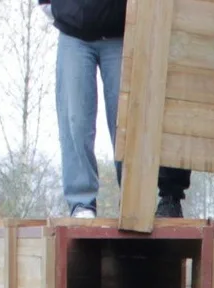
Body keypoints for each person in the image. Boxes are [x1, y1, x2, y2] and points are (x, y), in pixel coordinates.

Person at [39, 0, 193, 218]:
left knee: (128, 123)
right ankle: (81, 203)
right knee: (75, 121)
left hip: (122, 32)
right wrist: (54, 8)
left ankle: (132, 202)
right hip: (73, 34)